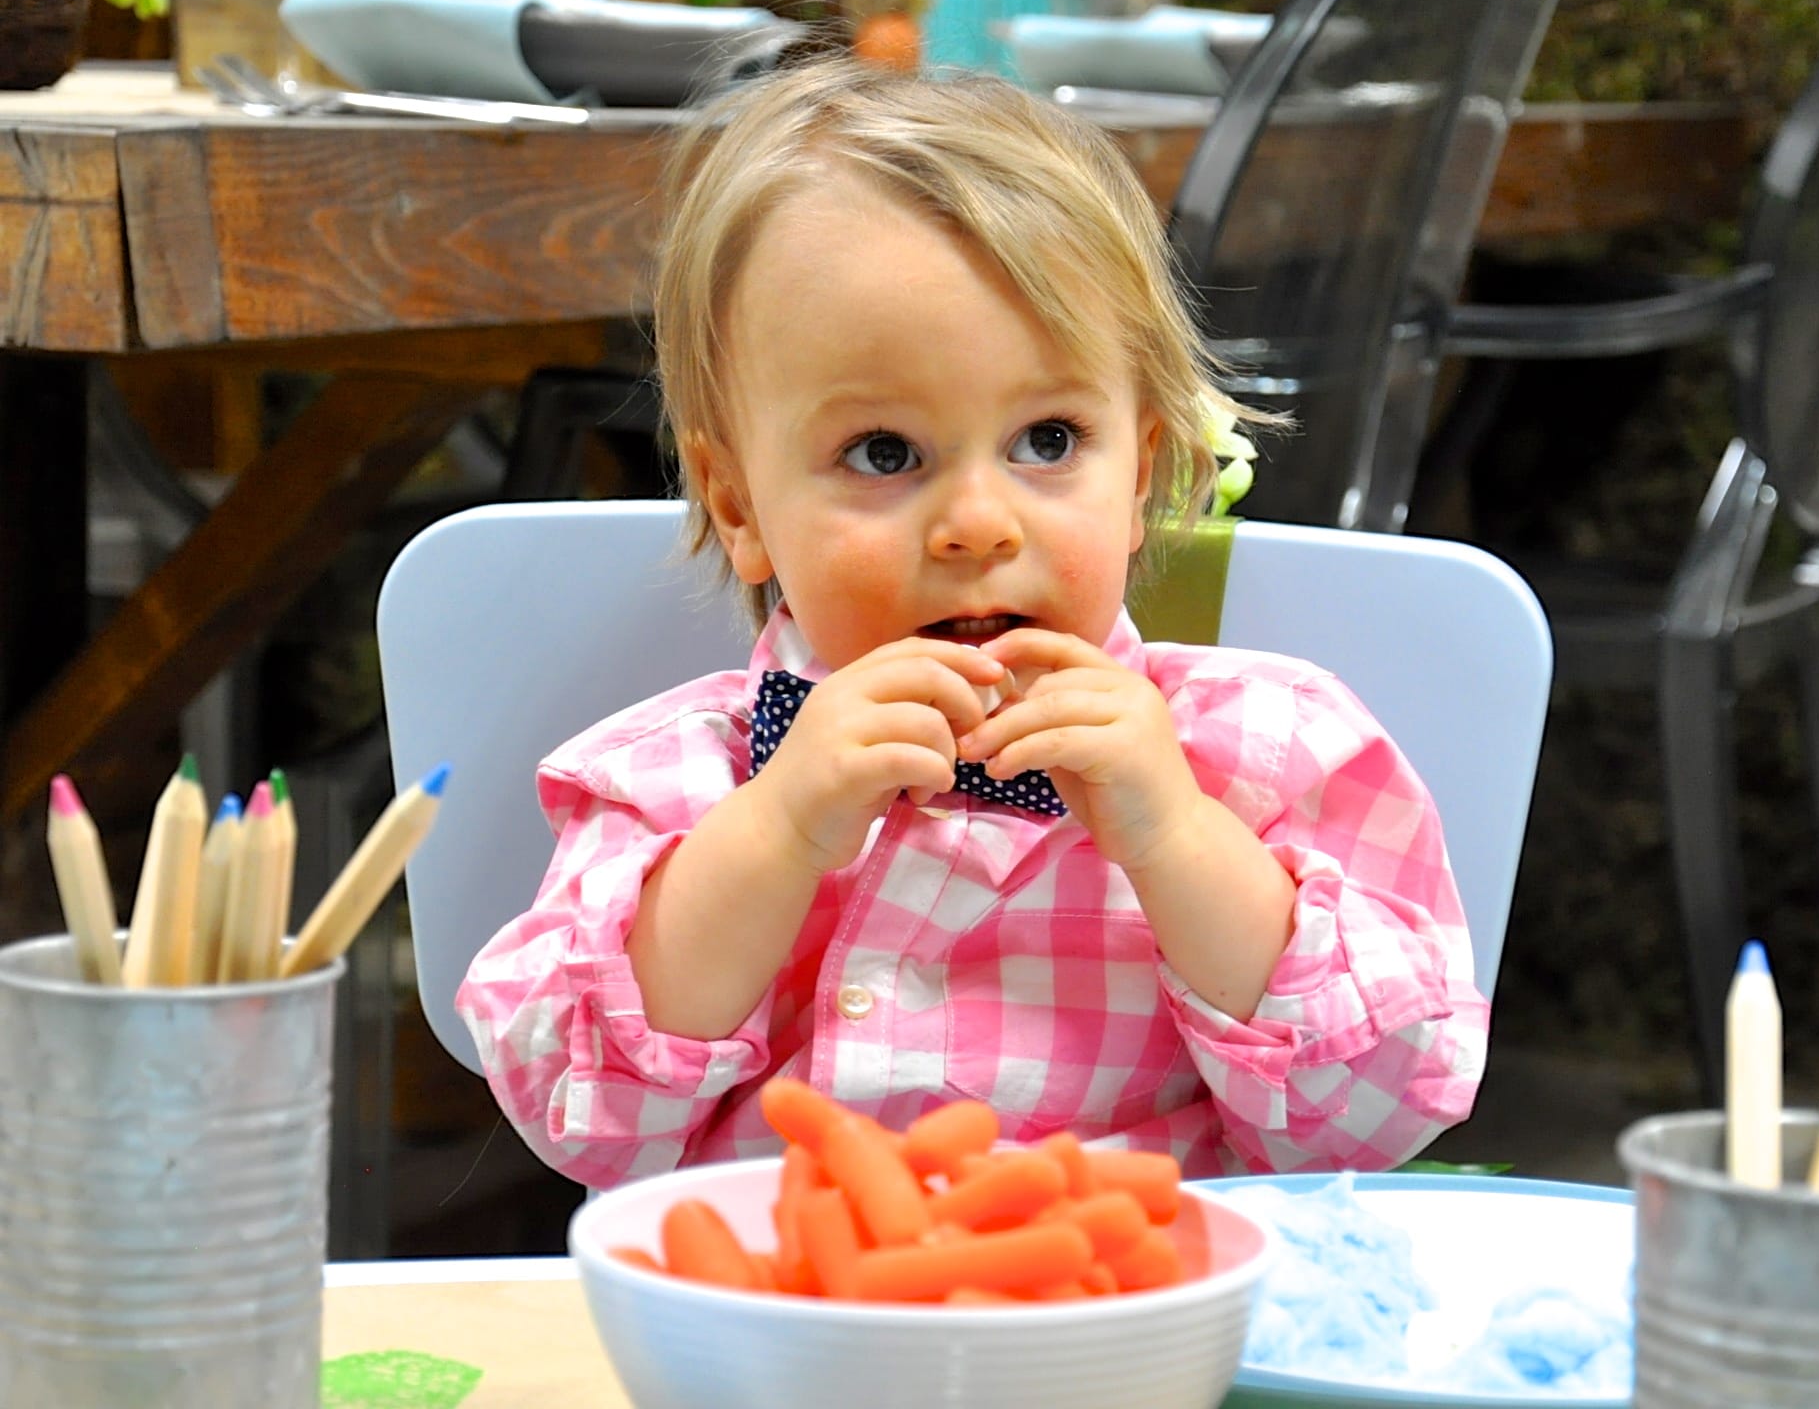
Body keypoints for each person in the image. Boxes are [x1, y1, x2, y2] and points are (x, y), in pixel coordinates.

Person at [457, 59, 1487, 1189]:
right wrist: (779, 830)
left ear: (1139, 471)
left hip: (1133, 1325)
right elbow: (578, 1116)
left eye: (1047, 439)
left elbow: (1382, 1111)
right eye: (883, 453)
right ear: (740, 505)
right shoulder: (671, 791)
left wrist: (1177, 840)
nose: (977, 524)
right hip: (782, 1330)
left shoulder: (1271, 755)